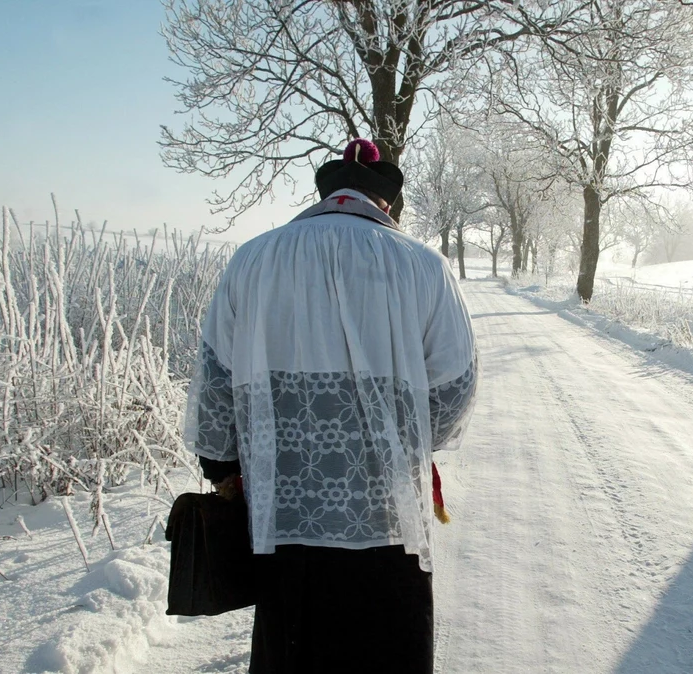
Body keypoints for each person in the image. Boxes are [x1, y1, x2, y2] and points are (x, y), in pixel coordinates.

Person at [185, 138, 478, 673]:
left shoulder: (253, 258)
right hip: (387, 508)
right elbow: (456, 383)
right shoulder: (424, 265)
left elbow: (216, 376)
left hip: (284, 500)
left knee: (293, 645)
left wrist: (224, 464)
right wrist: (407, 440)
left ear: (327, 194)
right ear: (384, 202)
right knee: (385, 643)